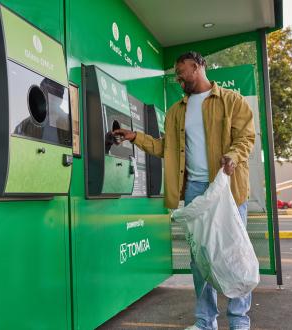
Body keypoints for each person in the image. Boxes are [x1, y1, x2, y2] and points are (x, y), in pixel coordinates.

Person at [113, 51, 256, 330]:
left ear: (197, 66)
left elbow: (246, 137)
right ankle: (206, 322)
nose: (178, 78)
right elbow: (166, 149)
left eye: (182, 72)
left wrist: (233, 156)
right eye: (177, 74)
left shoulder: (231, 101)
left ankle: (239, 322)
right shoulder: (177, 111)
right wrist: (135, 137)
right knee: (200, 258)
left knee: (234, 253)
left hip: (228, 189)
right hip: (194, 191)